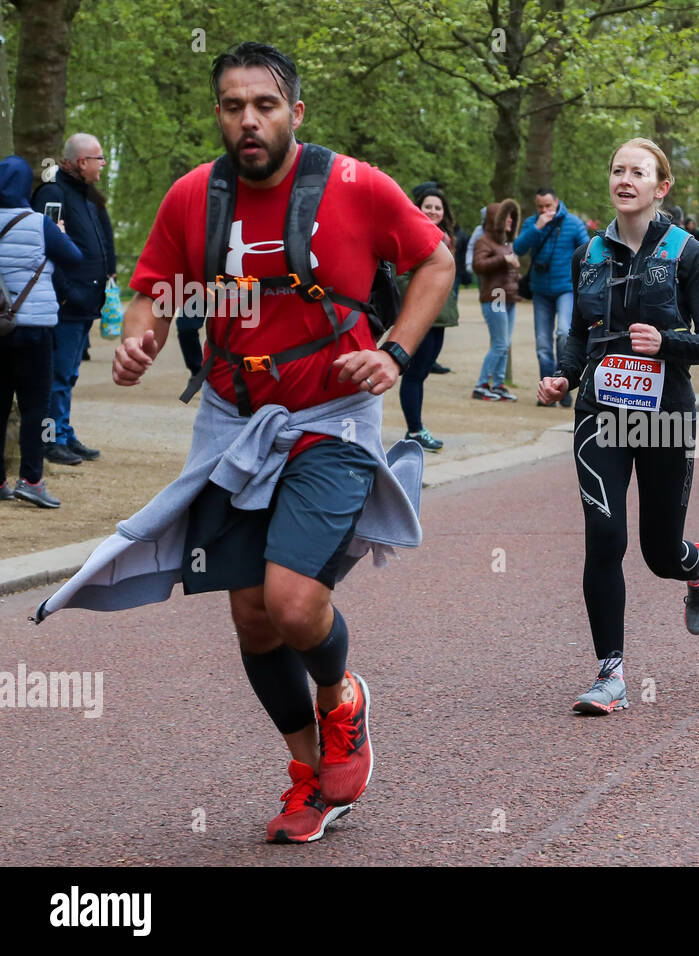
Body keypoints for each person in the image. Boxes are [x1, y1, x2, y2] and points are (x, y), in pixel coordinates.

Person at [36, 42, 454, 845]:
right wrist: (138, 338)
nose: (249, 121)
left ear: (295, 111)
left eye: (264, 105)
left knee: (294, 601)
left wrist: (395, 351)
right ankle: (311, 776)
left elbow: (434, 263)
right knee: (254, 620)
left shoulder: (357, 186)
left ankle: (342, 701)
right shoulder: (195, 195)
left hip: (331, 417)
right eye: (233, 106)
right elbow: (153, 289)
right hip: (232, 423)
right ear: (220, 114)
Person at [537, 137, 699, 715]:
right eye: (617, 169)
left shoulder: (688, 252)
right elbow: (579, 329)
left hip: (665, 415)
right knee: (605, 538)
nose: (625, 178)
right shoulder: (587, 253)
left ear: (659, 187)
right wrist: (565, 375)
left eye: (637, 172)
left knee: (659, 552)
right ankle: (610, 672)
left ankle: (698, 566)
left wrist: (667, 342)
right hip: (601, 413)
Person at [0, 155, 85, 508]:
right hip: (35, 329)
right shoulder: (38, 223)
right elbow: (74, 258)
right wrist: (58, 237)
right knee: (36, 406)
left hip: (0, 329)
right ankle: (31, 479)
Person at [32, 133, 116, 466]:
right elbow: (45, 248)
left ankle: (63, 433)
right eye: (100, 159)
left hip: (85, 301)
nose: (103, 165)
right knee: (57, 375)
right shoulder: (54, 194)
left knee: (69, 374)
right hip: (67, 303)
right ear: (82, 162)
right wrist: (67, 293)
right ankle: (50, 440)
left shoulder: (86, 196)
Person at [513, 187, 590, 407]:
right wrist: (537, 228)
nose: (544, 210)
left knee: (564, 333)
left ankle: (562, 385)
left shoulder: (573, 223)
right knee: (542, 344)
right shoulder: (532, 223)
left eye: (548, 205)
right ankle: (546, 392)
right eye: (540, 207)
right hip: (540, 290)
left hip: (565, 288)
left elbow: (587, 252)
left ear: (557, 202)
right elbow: (518, 248)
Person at [398, 183, 458, 449]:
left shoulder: (445, 237)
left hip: (440, 315)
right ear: (418, 207)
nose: (433, 211)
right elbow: (402, 274)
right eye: (428, 206)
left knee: (421, 373)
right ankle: (414, 430)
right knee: (413, 374)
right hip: (421, 313)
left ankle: (416, 426)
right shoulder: (409, 231)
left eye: (438, 207)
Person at [471, 199, 522, 400]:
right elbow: (478, 265)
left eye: (511, 216)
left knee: (505, 343)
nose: (510, 220)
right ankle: (482, 384)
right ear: (496, 219)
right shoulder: (483, 241)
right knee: (500, 343)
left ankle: (498, 385)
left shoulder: (507, 243)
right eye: (505, 216)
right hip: (495, 296)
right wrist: (503, 260)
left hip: (509, 297)